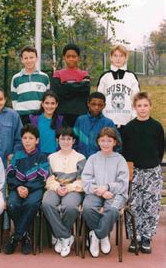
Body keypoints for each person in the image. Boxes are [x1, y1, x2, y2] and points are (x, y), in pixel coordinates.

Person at [122, 92, 164, 254]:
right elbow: (125, 150)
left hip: (152, 171)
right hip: (135, 172)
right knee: (134, 204)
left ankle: (146, 237)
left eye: (145, 105)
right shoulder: (129, 128)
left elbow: (160, 149)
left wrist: (152, 163)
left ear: (150, 107)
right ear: (134, 107)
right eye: (139, 106)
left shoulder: (156, 127)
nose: (142, 109)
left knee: (151, 205)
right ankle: (134, 237)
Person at [82, 127, 129, 258]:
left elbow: (123, 184)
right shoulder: (92, 158)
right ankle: (103, 235)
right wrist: (101, 192)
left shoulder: (120, 160)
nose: (105, 143)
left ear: (115, 142)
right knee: (87, 207)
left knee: (113, 210)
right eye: (102, 140)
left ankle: (97, 235)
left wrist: (108, 187)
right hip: (95, 192)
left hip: (116, 194)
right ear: (98, 142)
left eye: (109, 140)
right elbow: (86, 181)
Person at [3, 124, 49, 255]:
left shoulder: (42, 157)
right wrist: (18, 187)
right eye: (24, 138)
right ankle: (25, 237)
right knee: (12, 205)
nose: (27, 141)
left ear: (37, 140)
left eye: (31, 138)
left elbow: (42, 177)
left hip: (35, 189)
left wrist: (27, 188)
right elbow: (10, 175)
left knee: (31, 204)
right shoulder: (16, 157)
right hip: (17, 188)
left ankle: (15, 238)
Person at [41, 127, 86, 257]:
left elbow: (82, 180)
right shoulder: (51, 157)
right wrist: (56, 187)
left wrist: (69, 188)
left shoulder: (80, 157)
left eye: (68, 139)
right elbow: (48, 178)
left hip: (74, 189)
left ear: (73, 141)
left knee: (70, 207)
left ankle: (59, 235)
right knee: (47, 204)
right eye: (62, 139)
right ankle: (66, 236)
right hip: (54, 188)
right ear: (57, 140)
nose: (65, 142)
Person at [97, 44, 140, 131]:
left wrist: (135, 118)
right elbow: (99, 99)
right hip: (108, 122)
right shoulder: (105, 76)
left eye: (121, 56)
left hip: (128, 122)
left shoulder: (131, 76)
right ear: (111, 57)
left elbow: (136, 99)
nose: (118, 58)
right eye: (115, 55)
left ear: (126, 58)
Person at [51, 44, 90, 127]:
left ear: (78, 58)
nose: (71, 59)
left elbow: (85, 90)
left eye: (74, 56)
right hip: (62, 114)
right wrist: (78, 87)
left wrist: (65, 85)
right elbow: (57, 91)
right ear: (64, 58)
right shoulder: (57, 74)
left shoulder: (84, 74)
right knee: (63, 139)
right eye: (68, 56)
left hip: (80, 114)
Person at [11, 46, 50, 125]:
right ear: (22, 60)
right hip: (22, 116)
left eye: (31, 57)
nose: (29, 60)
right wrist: (17, 112)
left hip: (39, 115)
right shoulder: (16, 78)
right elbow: (14, 99)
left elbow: (47, 97)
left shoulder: (44, 77)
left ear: (36, 58)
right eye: (26, 58)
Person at [73, 92, 118, 159]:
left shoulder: (108, 123)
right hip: (81, 160)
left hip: (101, 161)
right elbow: (73, 141)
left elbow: (117, 144)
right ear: (88, 104)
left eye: (100, 105)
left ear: (104, 105)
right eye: (93, 104)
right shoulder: (80, 120)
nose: (96, 107)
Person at [28, 90, 65, 155]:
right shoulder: (34, 120)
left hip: (55, 156)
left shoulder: (60, 120)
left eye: (52, 103)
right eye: (47, 103)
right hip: (38, 156)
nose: (49, 106)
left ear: (56, 104)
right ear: (42, 104)